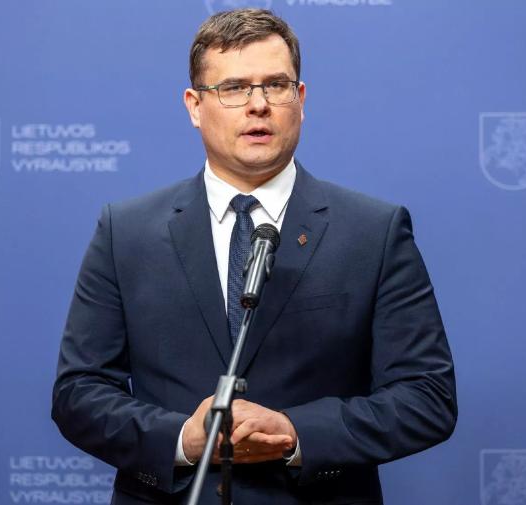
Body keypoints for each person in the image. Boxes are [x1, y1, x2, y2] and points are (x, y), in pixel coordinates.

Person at [52, 8, 456, 505]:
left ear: (300, 99)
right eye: (234, 88)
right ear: (195, 105)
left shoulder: (373, 231)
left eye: (276, 86)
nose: (258, 105)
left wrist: (295, 433)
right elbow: (78, 393)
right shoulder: (126, 231)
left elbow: (427, 397)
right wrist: (183, 440)